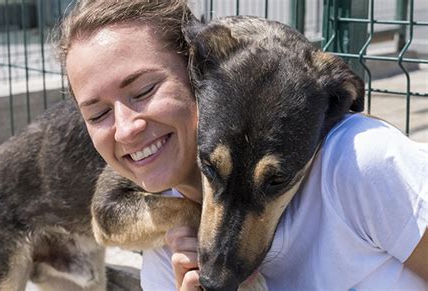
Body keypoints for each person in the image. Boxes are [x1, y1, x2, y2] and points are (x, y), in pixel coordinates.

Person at [57, 0, 428, 290]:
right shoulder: (170, 246)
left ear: (193, 78)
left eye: (144, 90)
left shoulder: (361, 162)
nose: (126, 129)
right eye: (97, 114)